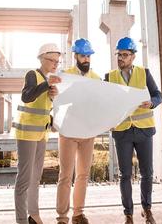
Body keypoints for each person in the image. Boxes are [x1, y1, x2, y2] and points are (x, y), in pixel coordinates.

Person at [105, 37, 162, 224]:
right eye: (119, 55)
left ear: (133, 56)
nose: (120, 58)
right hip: (122, 132)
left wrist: (152, 103)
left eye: (125, 55)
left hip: (144, 130)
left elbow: (157, 95)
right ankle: (128, 213)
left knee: (147, 172)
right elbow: (102, 102)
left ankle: (147, 209)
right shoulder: (109, 76)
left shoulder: (144, 73)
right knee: (125, 175)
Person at [13, 43, 62, 224]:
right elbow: (27, 96)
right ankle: (21, 220)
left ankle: (33, 215)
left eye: (58, 61)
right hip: (27, 134)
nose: (56, 64)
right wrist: (46, 85)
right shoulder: (32, 74)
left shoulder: (47, 79)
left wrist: (52, 95)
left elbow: (43, 108)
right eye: (52, 60)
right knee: (24, 179)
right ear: (42, 58)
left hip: (41, 135)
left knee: (35, 177)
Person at [56, 38, 100, 224]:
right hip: (68, 131)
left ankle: (78, 214)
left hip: (88, 132)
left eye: (89, 56)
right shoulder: (65, 75)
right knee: (65, 175)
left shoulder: (97, 79)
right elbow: (58, 99)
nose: (86, 59)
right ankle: (62, 217)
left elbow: (100, 104)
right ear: (76, 56)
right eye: (83, 55)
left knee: (83, 174)